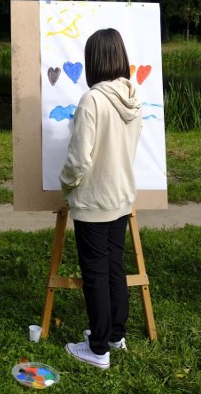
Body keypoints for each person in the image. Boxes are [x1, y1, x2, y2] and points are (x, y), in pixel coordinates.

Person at [59, 28, 142, 369]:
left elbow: (79, 160)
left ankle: (97, 350)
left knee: (95, 273)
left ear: (93, 61)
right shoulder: (132, 97)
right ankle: (114, 335)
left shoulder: (92, 99)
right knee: (114, 268)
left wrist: (66, 184)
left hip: (94, 201)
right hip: (121, 196)